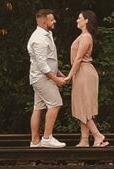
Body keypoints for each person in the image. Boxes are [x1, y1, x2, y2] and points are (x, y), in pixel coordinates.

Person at [27, 9, 70, 148]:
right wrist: (55, 79)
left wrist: (58, 72)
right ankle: (47, 138)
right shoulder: (39, 39)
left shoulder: (47, 34)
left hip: (41, 76)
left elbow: (49, 59)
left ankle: (35, 141)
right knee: (55, 104)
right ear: (44, 22)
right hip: (42, 78)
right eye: (52, 20)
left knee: (38, 107)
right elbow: (42, 65)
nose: (54, 21)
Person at [68, 10, 107, 148]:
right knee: (81, 105)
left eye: (80, 18)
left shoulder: (85, 37)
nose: (77, 20)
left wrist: (69, 75)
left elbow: (79, 58)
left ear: (86, 20)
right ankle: (84, 140)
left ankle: (97, 135)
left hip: (84, 72)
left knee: (84, 106)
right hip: (81, 72)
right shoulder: (83, 36)